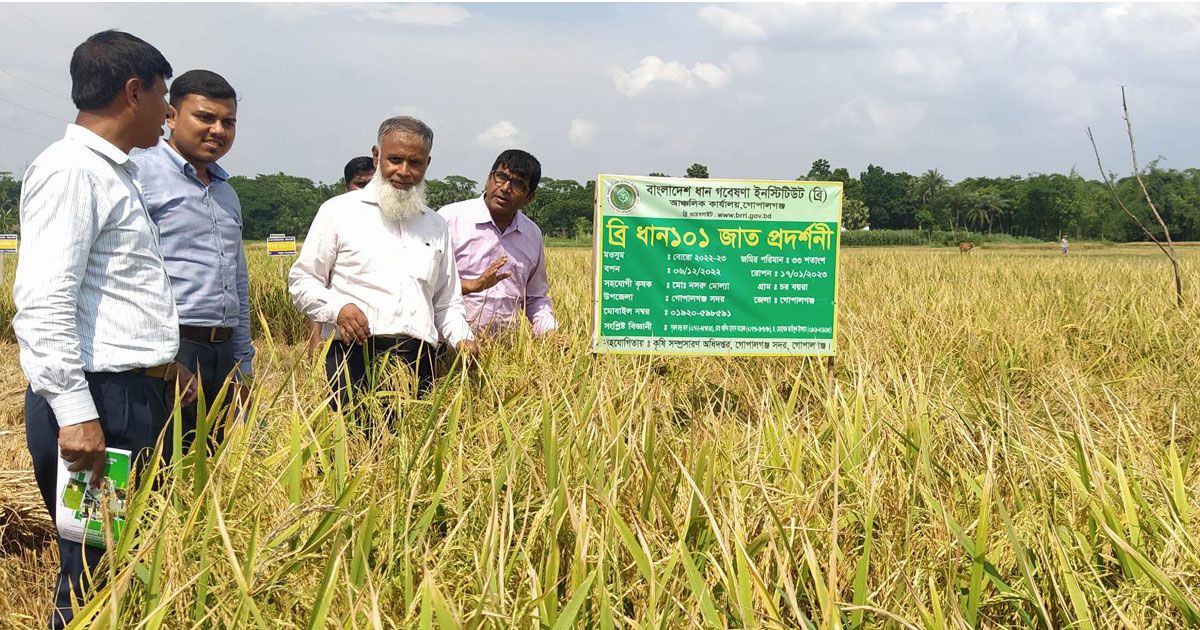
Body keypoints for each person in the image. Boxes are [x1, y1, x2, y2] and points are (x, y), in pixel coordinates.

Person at [12, 30, 196, 628]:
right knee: (96, 568)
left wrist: (165, 366)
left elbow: (110, 299)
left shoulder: (114, 174)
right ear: (133, 91)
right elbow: (43, 301)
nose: (168, 114)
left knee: (129, 561)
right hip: (99, 404)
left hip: (127, 395)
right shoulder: (72, 172)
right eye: (163, 98)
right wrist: (76, 413)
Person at [289, 116, 477, 410]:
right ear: (377, 156)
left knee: (412, 448)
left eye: (414, 163)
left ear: (427, 164)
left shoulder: (436, 225)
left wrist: (463, 340)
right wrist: (339, 309)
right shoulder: (338, 212)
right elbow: (302, 281)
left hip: (419, 362)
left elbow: (446, 302)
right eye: (395, 159)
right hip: (353, 357)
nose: (403, 171)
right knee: (354, 450)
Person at [131, 69, 252, 448]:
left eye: (228, 122)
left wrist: (243, 366)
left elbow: (238, 283)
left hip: (221, 351)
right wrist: (162, 360)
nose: (218, 130)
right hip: (169, 348)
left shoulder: (226, 192)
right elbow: (128, 273)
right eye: (205, 117)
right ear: (170, 117)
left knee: (209, 472)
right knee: (156, 467)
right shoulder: (139, 174)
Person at [438, 150, 558, 336]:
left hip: (505, 351)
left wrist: (549, 333)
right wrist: (472, 285)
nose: (505, 188)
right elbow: (430, 285)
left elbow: (534, 298)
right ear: (488, 178)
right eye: (501, 177)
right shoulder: (450, 219)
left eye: (517, 184)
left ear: (530, 197)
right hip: (449, 347)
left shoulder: (532, 234)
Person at [305, 156, 377, 359]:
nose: (367, 191)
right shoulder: (335, 216)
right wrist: (315, 339)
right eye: (360, 184)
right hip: (343, 340)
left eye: (372, 184)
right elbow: (317, 282)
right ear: (347, 186)